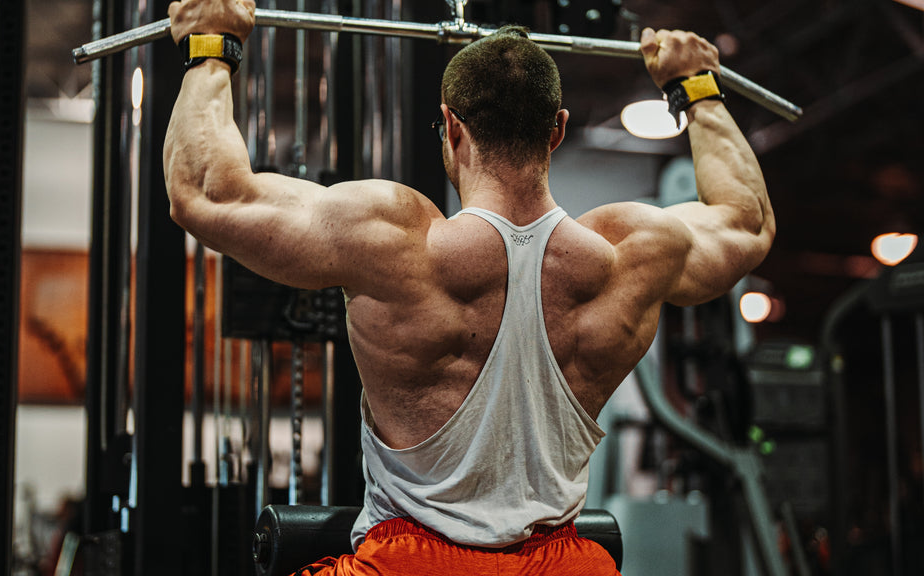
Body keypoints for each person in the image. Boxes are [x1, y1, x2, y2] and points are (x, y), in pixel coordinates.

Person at [165, 1, 775, 574]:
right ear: (558, 130)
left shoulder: (391, 239)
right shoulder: (632, 253)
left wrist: (212, 43)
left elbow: (206, 192)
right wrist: (697, 87)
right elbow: (747, 222)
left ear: (452, 127)